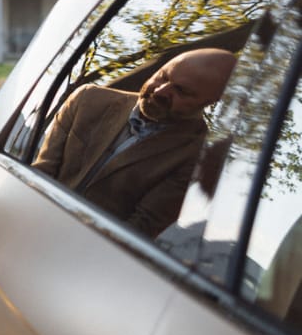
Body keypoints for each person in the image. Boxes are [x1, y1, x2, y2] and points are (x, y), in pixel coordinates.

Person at [32, 48, 236, 237]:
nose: (160, 91)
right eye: (162, 76)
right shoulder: (88, 99)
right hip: (31, 221)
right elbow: (41, 173)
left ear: (211, 102)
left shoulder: (198, 157)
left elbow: (139, 230)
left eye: (181, 91)